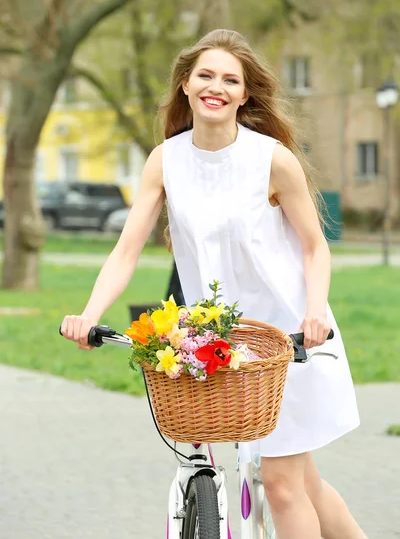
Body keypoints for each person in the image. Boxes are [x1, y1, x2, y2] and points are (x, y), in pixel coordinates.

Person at [61, 29, 366, 539]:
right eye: (205, 75)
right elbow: (126, 249)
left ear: (245, 94)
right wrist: (89, 314)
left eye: (230, 79)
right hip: (221, 344)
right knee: (303, 483)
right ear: (185, 84)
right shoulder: (166, 160)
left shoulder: (271, 159)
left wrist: (314, 311)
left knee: (283, 486)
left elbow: (316, 246)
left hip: (290, 337)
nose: (216, 87)